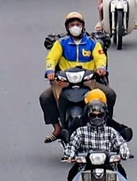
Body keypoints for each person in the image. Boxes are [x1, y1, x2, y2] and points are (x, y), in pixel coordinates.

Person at [61, 93, 131, 181]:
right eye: (94, 115)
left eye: (100, 115)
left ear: (105, 115)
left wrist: (123, 154)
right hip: (85, 169)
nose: (97, 118)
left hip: (110, 168)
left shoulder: (110, 131)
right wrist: (70, 156)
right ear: (88, 116)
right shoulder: (80, 132)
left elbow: (122, 144)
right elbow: (71, 147)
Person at [40, 11, 114, 140]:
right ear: (67, 27)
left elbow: (100, 56)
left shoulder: (92, 42)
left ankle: (107, 125)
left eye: (78, 24)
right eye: (72, 24)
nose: (75, 27)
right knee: (45, 97)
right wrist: (50, 71)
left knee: (110, 94)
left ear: (83, 26)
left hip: (88, 81)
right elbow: (51, 58)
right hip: (65, 82)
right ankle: (57, 128)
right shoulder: (61, 43)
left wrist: (101, 68)